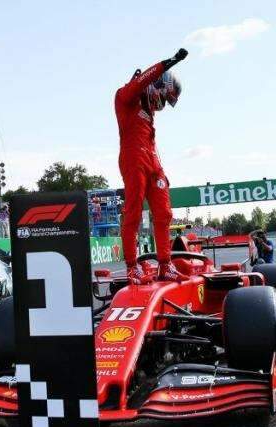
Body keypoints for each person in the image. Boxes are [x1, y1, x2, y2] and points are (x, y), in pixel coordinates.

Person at [115, 48, 189, 284]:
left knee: (164, 212)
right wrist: (165, 64)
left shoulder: (149, 111)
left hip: (152, 159)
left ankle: (165, 265)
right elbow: (138, 85)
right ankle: (132, 267)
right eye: (165, 97)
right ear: (156, 85)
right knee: (134, 211)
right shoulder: (126, 97)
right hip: (132, 157)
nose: (162, 104)